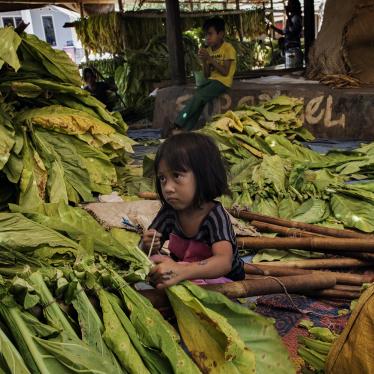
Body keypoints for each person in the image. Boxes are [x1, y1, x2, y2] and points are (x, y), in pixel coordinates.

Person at [141, 133, 245, 289]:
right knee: (152, 261)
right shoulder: (169, 212)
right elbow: (145, 250)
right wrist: (147, 244)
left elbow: (223, 262)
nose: (168, 188)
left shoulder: (215, 215)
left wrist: (182, 270)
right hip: (183, 272)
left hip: (222, 280)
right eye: (162, 178)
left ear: (204, 176)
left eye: (177, 175)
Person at [169, 17, 237, 135]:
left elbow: (225, 72)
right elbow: (206, 75)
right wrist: (204, 61)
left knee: (198, 97)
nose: (207, 38)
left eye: (210, 34)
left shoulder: (228, 48)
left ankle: (178, 123)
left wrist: (210, 58)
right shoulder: (209, 50)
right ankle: (186, 129)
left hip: (223, 82)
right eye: (206, 35)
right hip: (211, 81)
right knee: (198, 102)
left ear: (220, 34)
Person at [269, 0, 303, 67]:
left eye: (289, 4)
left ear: (294, 6)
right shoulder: (291, 18)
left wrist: (287, 15)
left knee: (294, 70)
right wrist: (271, 26)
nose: (287, 6)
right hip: (289, 50)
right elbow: (283, 32)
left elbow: (292, 30)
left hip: (294, 49)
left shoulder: (296, 17)